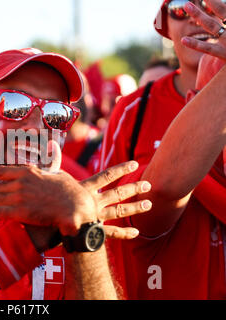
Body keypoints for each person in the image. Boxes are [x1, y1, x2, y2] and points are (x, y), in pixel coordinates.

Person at [0, 48, 153, 300]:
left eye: (55, 114)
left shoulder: (79, 207)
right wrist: (31, 236)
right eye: (15, 105)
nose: (36, 127)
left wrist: (82, 231)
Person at [98, 0, 226, 299]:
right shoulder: (133, 109)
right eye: (181, 7)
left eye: (211, 6)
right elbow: (106, 213)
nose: (198, 18)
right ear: (165, 26)